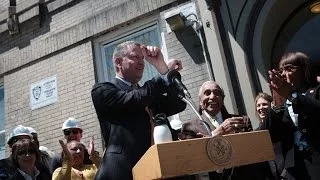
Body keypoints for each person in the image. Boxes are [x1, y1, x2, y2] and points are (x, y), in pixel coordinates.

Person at [91, 41, 186, 180]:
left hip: (157, 169)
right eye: (135, 57)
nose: (141, 62)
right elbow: (135, 99)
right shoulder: (102, 90)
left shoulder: (149, 93)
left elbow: (178, 104)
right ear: (118, 61)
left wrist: (166, 72)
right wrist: (162, 74)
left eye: (143, 58)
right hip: (122, 173)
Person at [266, 52, 320, 180]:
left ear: (304, 70)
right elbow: (270, 135)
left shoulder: (316, 91)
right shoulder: (284, 103)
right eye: (281, 71)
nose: (284, 74)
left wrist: (292, 95)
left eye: (289, 69)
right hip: (295, 171)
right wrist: (278, 103)